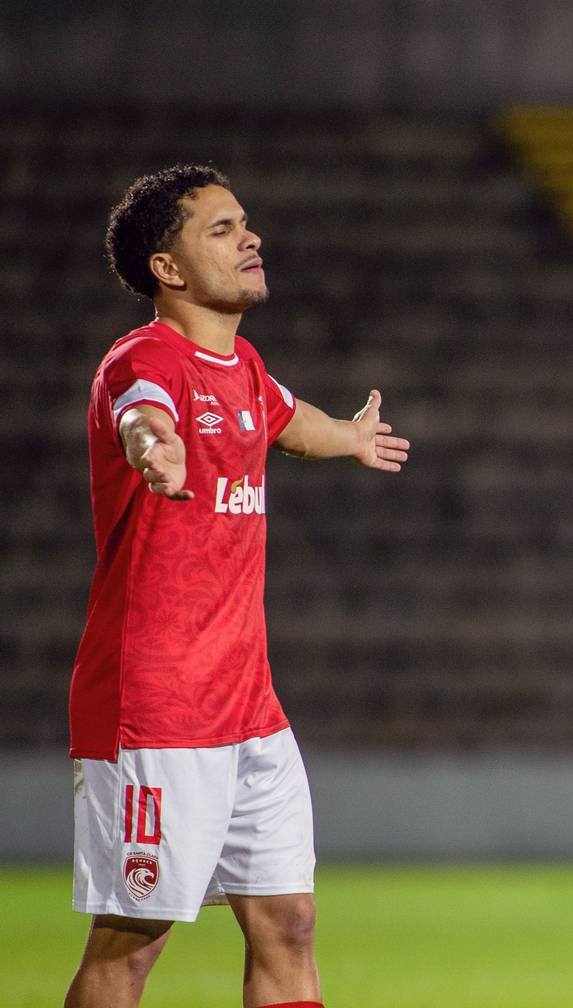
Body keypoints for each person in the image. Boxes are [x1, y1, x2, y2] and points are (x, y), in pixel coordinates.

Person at [67, 165, 410, 1008]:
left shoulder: (243, 367)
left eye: (245, 223)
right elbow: (139, 413)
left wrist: (352, 439)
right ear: (169, 269)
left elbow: (294, 422)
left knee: (288, 922)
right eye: (220, 230)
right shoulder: (142, 358)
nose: (249, 238)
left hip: (248, 703)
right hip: (157, 705)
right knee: (131, 943)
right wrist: (155, 450)